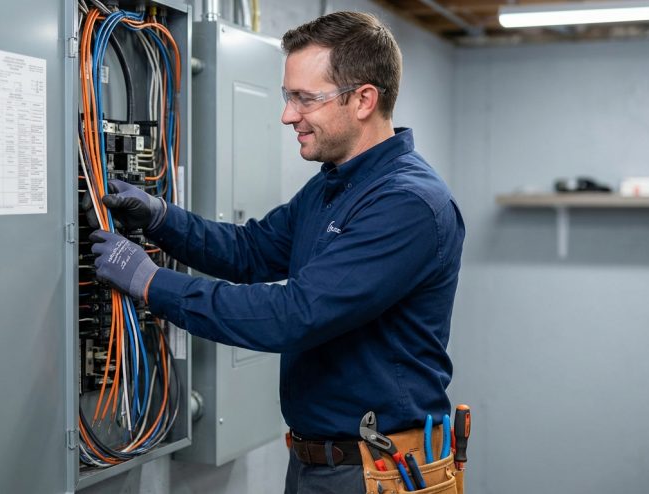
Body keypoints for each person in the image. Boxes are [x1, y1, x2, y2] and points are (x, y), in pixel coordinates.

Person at [88, 11, 465, 493]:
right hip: (320, 464)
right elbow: (250, 250)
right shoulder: (333, 185)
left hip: (378, 472)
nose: (288, 115)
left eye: (305, 99)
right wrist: (162, 219)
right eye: (290, 97)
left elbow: (295, 314)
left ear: (364, 99)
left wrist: (152, 284)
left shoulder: (408, 204)